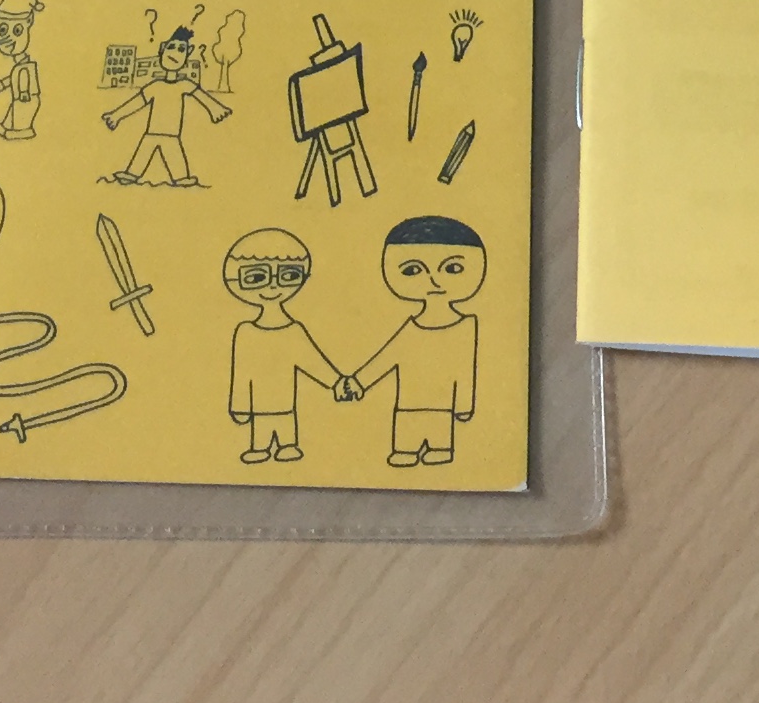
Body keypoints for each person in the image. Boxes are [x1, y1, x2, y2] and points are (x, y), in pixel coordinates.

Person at [340, 215, 484, 466]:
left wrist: (464, 405)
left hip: (443, 408)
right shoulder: (410, 329)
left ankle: (439, 449)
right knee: (405, 442)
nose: (434, 281)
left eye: (452, 269)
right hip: (408, 404)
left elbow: (465, 370)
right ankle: (406, 450)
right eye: (413, 270)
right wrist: (359, 382)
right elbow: (387, 358)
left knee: (439, 443)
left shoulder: (465, 327)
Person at [222, 228, 344, 465]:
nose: (272, 287)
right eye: (257, 278)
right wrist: (240, 405)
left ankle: (287, 445)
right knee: (261, 435)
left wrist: (336, 382)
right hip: (258, 407)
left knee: (286, 431)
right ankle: (260, 447)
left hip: (286, 405)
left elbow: (313, 362)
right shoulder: (245, 332)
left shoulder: (293, 330)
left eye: (288, 275)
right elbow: (241, 373)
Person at [100, 25, 230, 184]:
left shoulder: (184, 84)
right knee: (143, 153)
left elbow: (202, 97)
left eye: (181, 50)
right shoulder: (155, 86)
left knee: (174, 155)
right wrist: (116, 115)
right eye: (171, 47)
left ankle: (182, 179)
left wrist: (216, 109)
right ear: (163, 48)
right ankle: (132, 174)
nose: (175, 53)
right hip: (152, 132)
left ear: (188, 53)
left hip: (171, 134)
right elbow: (137, 102)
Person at [0, 0, 44, 141]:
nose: (8, 38)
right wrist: (2, 84)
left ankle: (21, 131)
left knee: (21, 116)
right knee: (12, 113)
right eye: (3, 30)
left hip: (26, 99)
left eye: (17, 31)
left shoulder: (26, 66)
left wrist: (24, 93)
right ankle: (6, 127)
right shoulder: (19, 66)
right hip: (20, 99)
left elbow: (26, 78)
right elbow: (14, 78)